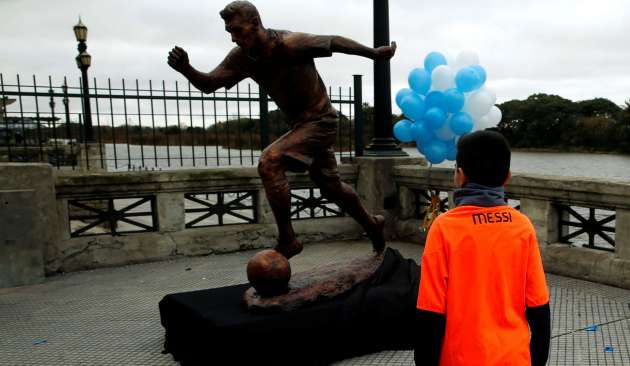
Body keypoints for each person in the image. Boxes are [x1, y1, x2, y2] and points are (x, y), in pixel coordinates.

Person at [167, 1, 395, 259]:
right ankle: (372, 224)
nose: (234, 38)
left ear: (255, 24)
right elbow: (209, 84)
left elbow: (335, 41)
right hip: (300, 127)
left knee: (269, 161)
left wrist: (374, 54)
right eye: (229, 32)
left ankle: (287, 240)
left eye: (238, 31)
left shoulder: (290, 43)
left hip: (322, 122)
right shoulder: (242, 58)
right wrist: (186, 68)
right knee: (331, 187)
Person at [414, 130, 551, 365]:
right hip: (514, 357)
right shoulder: (521, 225)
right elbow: (539, 307)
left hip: (459, 358)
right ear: (507, 177)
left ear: (459, 175)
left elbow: (430, 312)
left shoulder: (444, 228)